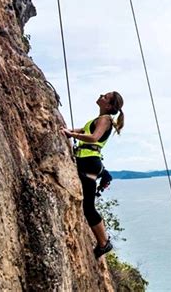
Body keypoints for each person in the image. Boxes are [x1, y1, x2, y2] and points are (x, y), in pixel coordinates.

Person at [62, 91, 124, 259]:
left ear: (109, 106)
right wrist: (68, 130)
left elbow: (94, 137)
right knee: (88, 206)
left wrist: (71, 135)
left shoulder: (105, 120)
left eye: (106, 96)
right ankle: (103, 242)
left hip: (90, 162)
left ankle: (104, 243)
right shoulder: (99, 119)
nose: (101, 95)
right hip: (88, 161)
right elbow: (84, 129)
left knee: (88, 207)